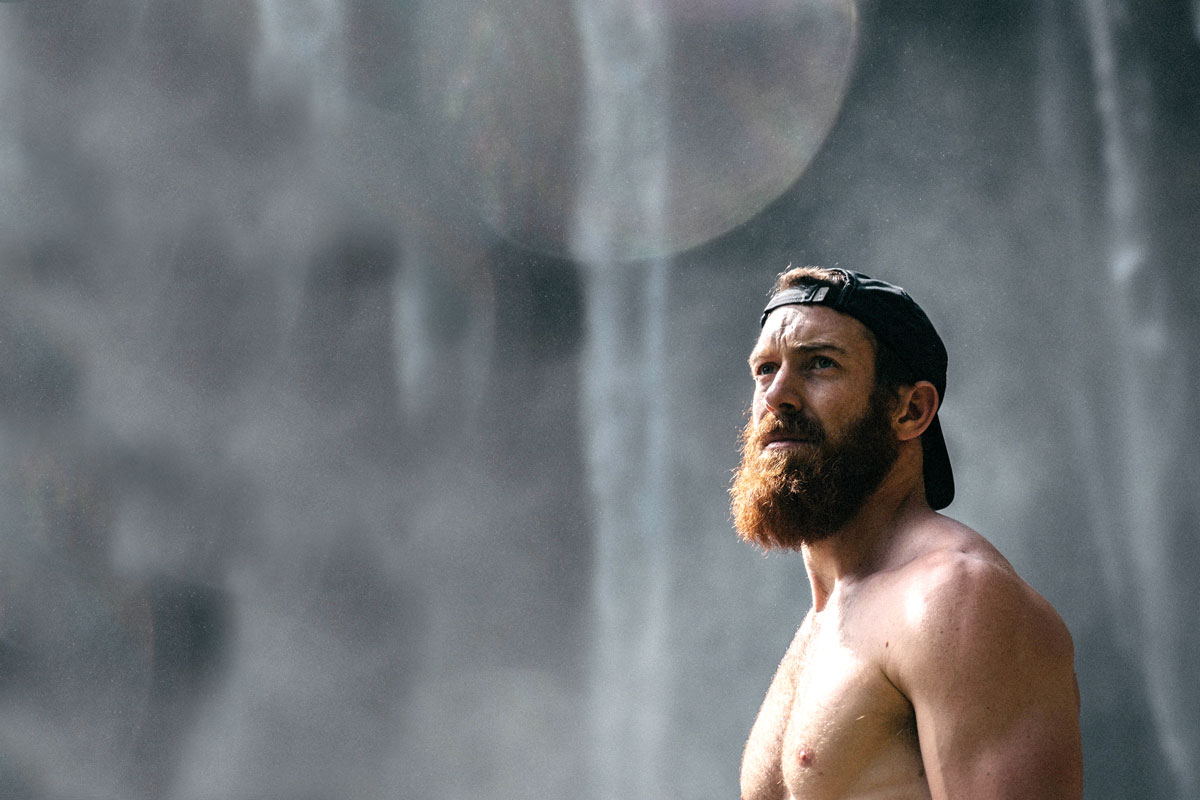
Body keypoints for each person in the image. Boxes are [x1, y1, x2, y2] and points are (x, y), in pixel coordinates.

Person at [732, 266, 1082, 799]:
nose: (777, 395)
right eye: (765, 369)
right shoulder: (825, 618)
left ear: (911, 410)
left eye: (821, 363)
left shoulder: (957, 599)